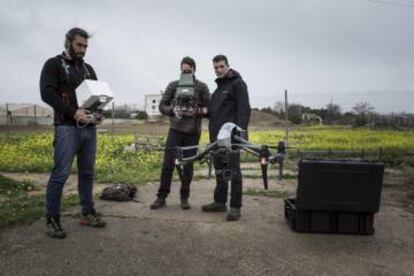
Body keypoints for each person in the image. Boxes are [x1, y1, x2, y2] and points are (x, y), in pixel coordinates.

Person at [40, 27, 106, 239]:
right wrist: (73, 112)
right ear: (68, 42)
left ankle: (87, 212)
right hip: (66, 128)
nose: (83, 50)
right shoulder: (53, 64)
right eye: (79, 45)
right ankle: (52, 219)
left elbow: (97, 96)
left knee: (87, 173)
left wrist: (98, 113)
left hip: (89, 129)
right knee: (60, 174)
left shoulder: (89, 69)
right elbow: (47, 93)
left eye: (86, 46)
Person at [150, 57, 210, 210]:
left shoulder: (202, 87)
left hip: (192, 133)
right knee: (167, 165)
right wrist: (172, 110)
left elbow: (210, 109)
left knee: (188, 166)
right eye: (183, 71)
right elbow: (162, 105)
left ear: (194, 70)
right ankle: (161, 197)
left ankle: (184, 198)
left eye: (188, 71)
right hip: (175, 130)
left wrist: (196, 111)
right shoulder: (173, 85)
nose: (186, 73)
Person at [201, 54, 251, 221]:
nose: (219, 70)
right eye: (216, 67)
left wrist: (239, 134)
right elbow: (214, 114)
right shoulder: (217, 91)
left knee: (234, 171)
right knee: (220, 170)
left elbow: (244, 110)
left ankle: (235, 207)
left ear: (228, 66)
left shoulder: (238, 84)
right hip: (216, 138)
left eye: (221, 66)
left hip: (232, 137)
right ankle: (220, 202)